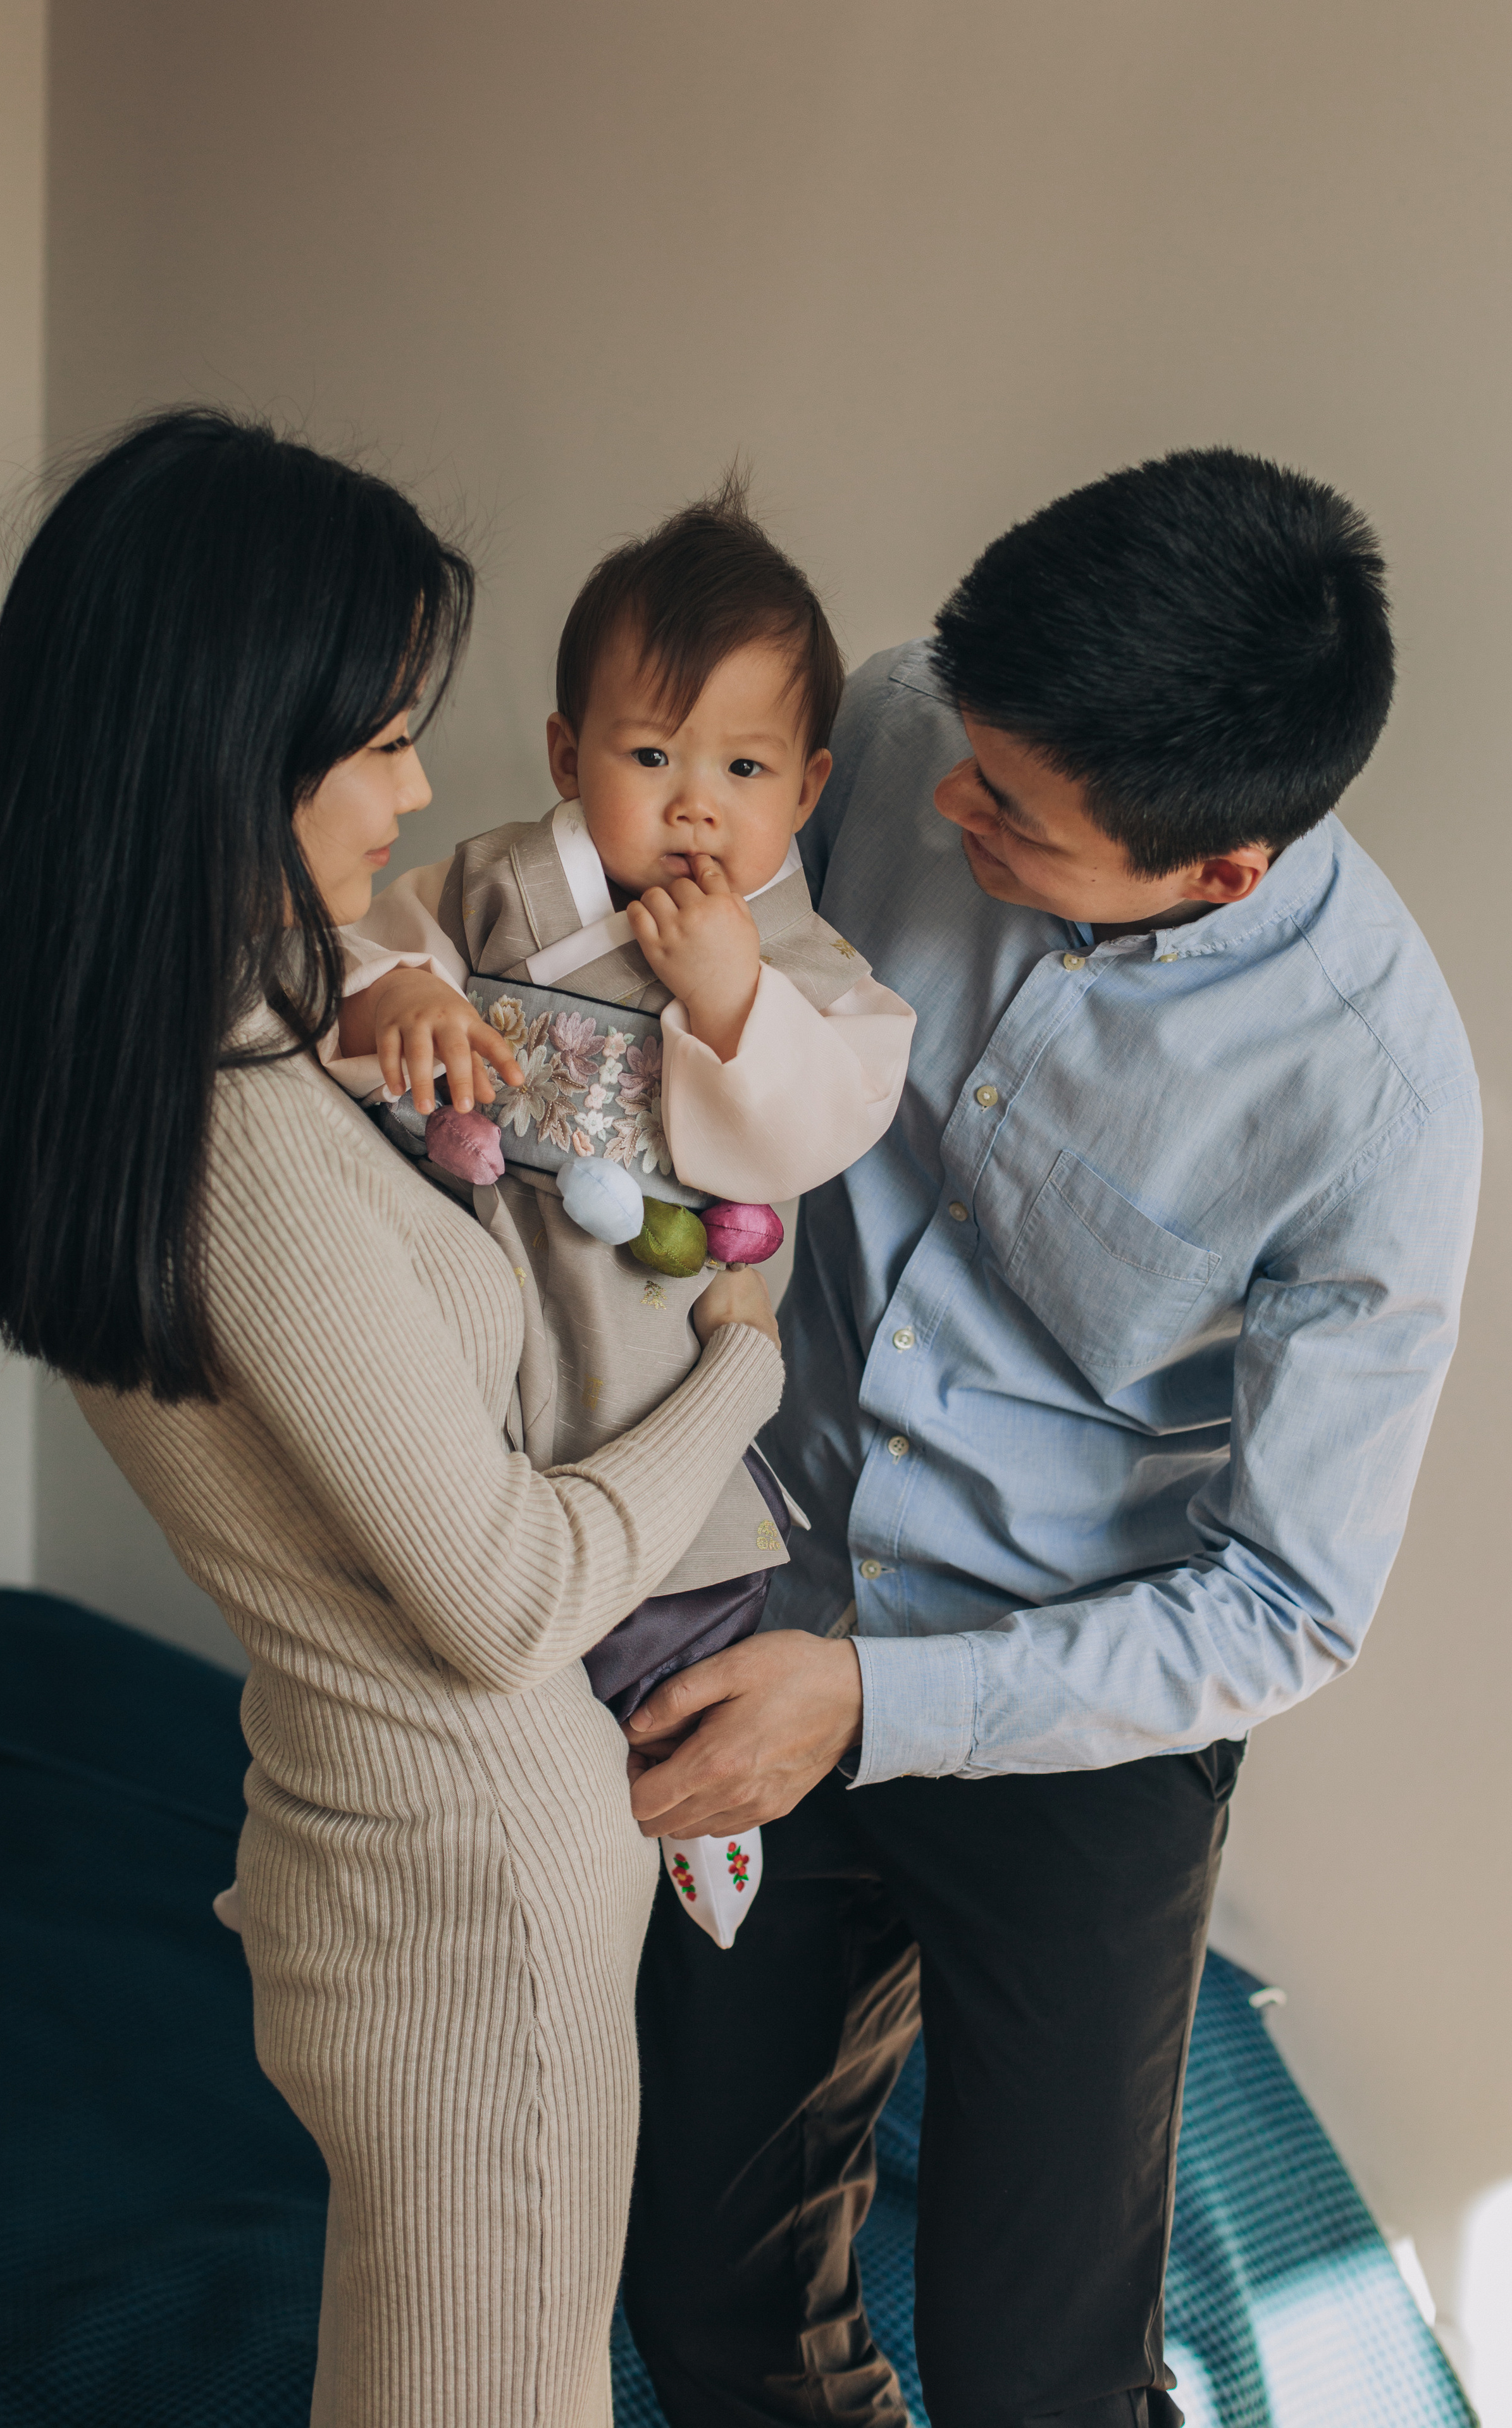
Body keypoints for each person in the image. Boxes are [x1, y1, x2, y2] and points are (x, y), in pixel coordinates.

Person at [0, 408, 784, 2428]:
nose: (416, 784)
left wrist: (389, 996)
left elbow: (390, 968)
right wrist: (743, 1360)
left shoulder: (153, 1044)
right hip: (465, 1873)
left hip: (369, 1850)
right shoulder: (246, 1132)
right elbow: (499, 1593)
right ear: (228, 745)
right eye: (381, 736)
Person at [618, 449, 1482, 2427]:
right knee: (700, 2288)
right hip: (768, 1587)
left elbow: (1288, 1599)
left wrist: (873, 1698)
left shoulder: (1381, 1105)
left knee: (1043, 2374)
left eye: (1011, 813)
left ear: (1218, 871)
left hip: (1077, 1702)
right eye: (962, 751)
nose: (939, 804)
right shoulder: (929, 710)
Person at [325, 481, 915, 1937]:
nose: (693, 801)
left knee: (668, 1654)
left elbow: (815, 1123)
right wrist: (387, 983)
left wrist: (729, 996)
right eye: (648, 753)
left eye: (742, 766)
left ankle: (672, 1846)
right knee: (447, 1639)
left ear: (811, 787)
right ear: (565, 750)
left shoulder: (809, 966)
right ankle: (460, 1865)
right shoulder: (501, 887)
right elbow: (352, 947)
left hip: (656, 1368)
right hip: (475, 1324)